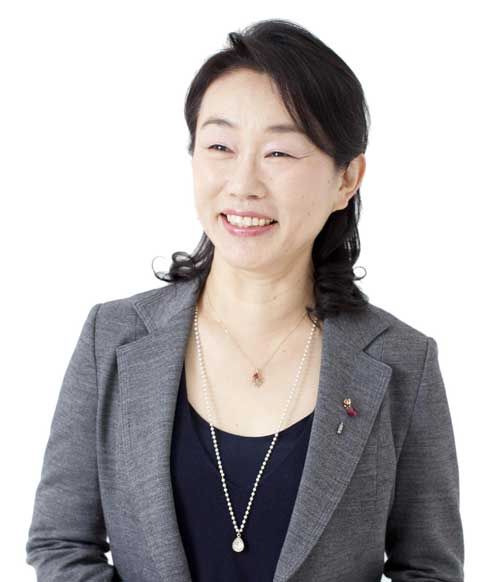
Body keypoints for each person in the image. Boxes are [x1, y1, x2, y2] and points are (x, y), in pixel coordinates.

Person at [25, 18, 465, 582]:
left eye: (279, 153)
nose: (243, 184)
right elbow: (61, 544)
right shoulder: (111, 337)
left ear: (347, 179)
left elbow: (429, 569)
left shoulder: (402, 361)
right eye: (220, 146)